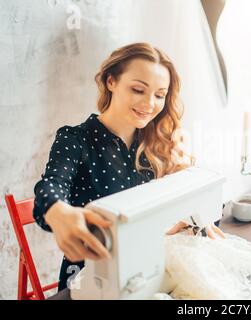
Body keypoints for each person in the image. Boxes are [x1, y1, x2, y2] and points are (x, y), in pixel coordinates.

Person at [33, 42, 224, 291]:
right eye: (138, 89)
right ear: (111, 82)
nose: (149, 104)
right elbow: (51, 187)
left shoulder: (155, 143)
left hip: (148, 272)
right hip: (91, 280)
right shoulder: (76, 139)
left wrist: (189, 221)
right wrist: (57, 212)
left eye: (159, 95)